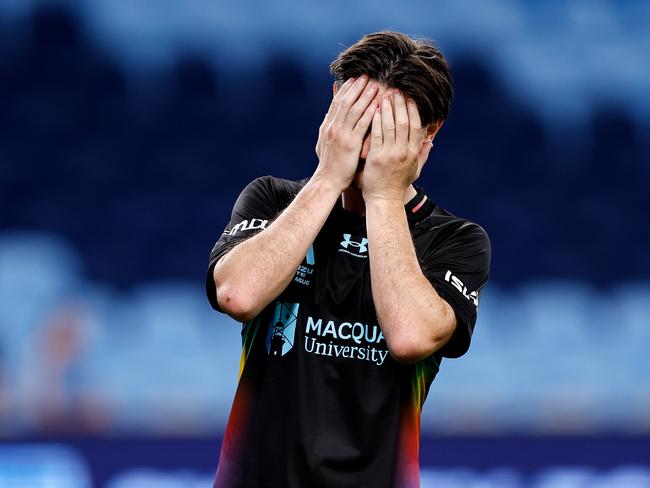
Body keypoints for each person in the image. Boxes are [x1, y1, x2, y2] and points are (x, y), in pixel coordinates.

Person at [206, 31, 491, 488]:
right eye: (359, 117)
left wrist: (383, 194)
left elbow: (411, 336)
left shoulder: (456, 240)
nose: (367, 142)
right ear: (334, 107)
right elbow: (238, 293)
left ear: (428, 134)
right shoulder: (271, 200)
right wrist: (327, 178)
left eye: (389, 127)